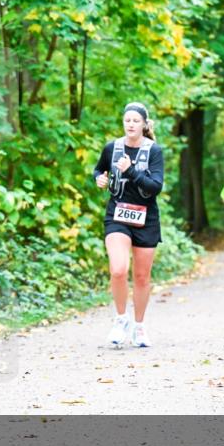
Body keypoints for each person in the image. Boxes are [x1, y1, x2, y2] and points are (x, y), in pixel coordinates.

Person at [93, 102, 165, 348]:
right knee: (118, 270)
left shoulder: (153, 151)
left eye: (136, 121)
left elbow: (155, 187)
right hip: (118, 215)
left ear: (144, 124)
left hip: (146, 219)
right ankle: (121, 319)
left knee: (142, 277)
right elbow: (98, 169)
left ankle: (139, 326)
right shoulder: (112, 148)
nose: (131, 124)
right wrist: (99, 179)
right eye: (127, 120)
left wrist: (132, 170)